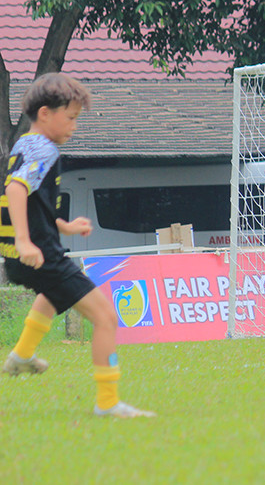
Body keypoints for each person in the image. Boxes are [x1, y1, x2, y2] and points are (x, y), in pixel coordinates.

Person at [1, 73, 154, 418]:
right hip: (38, 254)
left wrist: (63, 225)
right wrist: (26, 240)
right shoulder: (43, 148)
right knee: (105, 318)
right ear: (44, 114)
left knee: (52, 295)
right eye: (69, 118)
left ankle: (21, 356)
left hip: (17, 256)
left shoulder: (24, 144)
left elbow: (33, 201)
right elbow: (15, 190)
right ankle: (108, 403)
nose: (73, 126)